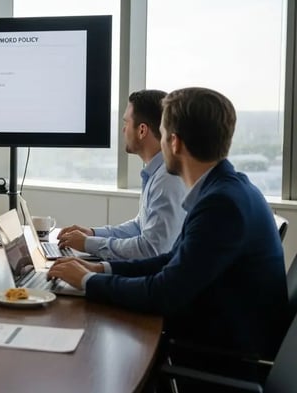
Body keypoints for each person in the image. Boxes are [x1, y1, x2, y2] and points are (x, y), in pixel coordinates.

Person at [48, 87, 289, 361]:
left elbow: (164, 293)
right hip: (221, 336)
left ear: (174, 142)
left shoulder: (221, 205)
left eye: (161, 134)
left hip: (224, 357)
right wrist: (100, 268)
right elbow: (171, 260)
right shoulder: (226, 189)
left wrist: (88, 282)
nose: (160, 144)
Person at [57, 90, 187, 260]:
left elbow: (151, 249)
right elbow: (139, 227)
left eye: (126, 122)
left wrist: (88, 243)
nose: (123, 129)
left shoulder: (168, 179)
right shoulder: (157, 173)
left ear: (142, 130)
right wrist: (92, 233)